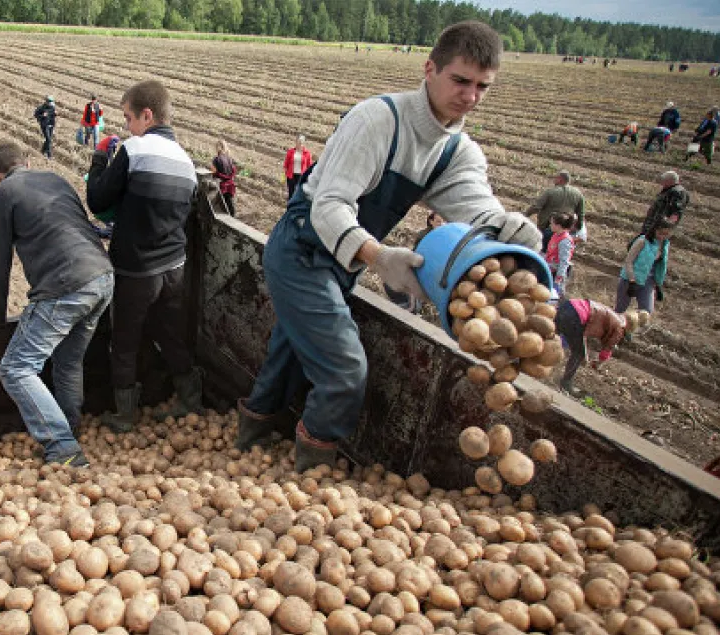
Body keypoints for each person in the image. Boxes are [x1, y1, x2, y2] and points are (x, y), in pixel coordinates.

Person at [235, 21, 542, 473]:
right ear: (430, 69)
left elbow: (479, 213)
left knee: (290, 354)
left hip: (341, 265)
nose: (470, 97)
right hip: (301, 250)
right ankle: (311, 469)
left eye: (483, 87)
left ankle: (249, 439)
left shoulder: (456, 152)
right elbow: (330, 205)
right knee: (344, 370)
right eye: (460, 80)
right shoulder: (377, 121)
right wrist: (378, 257)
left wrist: (510, 230)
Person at [0, 142, 115, 467]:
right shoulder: (56, 180)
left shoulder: (0, 196)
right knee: (68, 361)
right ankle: (69, 427)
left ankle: (62, 447)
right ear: (27, 162)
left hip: (67, 284)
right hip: (102, 276)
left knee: (16, 368)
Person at [86, 80, 200, 431]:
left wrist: (100, 159)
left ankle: (124, 415)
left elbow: (99, 200)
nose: (126, 127)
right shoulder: (187, 162)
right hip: (175, 268)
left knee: (124, 341)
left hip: (137, 269)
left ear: (146, 116)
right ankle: (190, 398)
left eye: (127, 118)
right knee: (168, 332)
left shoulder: (135, 149)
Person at [554, 298, 631, 394]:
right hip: (576, 315)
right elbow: (606, 351)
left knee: (550, 332)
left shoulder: (613, 316)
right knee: (579, 353)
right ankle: (566, 383)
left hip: (570, 304)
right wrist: (599, 363)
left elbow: (584, 329)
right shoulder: (620, 328)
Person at [617, 219, 672, 316]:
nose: (662, 237)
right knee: (620, 310)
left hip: (648, 282)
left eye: (666, 234)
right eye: (660, 233)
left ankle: (632, 328)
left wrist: (658, 284)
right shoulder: (642, 241)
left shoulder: (664, 245)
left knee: (646, 312)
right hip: (630, 280)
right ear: (654, 229)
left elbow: (660, 266)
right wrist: (632, 281)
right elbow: (629, 261)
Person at [526, 169, 585, 248]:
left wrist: (525, 214)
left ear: (560, 179)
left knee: (543, 249)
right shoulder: (578, 194)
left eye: (556, 178)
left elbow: (536, 207)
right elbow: (580, 213)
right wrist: (578, 227)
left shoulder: (551, 192)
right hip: (566, 229)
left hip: (549, 227)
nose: (554, 179)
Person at [635, 170, 689, 242]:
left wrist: (663, 229)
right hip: (654, 226)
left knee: (643, 246)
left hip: (658, 229)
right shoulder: (671, 190)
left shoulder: (677, 192)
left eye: (664, 181)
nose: (662, 183)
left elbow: (676, 212)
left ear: (670, 181)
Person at [544, 213, 576, 297]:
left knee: (555, 297)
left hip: (557, 273)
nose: (550, 225)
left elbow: (564, 262)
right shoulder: (555, 235)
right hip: (550, 269)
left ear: (558, 226)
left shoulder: (565, 241)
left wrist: (558, 279)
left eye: (552, 223)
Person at [211, 140, 238, 217]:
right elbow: (233, 171)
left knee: (221, 208)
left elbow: (214, 173)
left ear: (217, 148)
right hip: (230, 185)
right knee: (230, 205)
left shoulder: (216, 160)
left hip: (221, 186)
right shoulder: (230, 159)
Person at [33, 95, 57, 160]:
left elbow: (52, 116)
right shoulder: (42, 108)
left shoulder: (53, 107)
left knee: (48, 140)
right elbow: (35, 115)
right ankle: (49, 155)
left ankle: (43, 151)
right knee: (49, 140)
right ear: (46, 101)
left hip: (51, 125)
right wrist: (42, 116)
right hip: (44, 125)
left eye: (51, 102)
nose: (51, 103)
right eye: (49, 101)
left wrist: (55, 114)